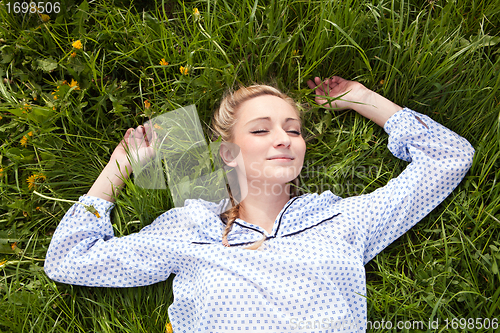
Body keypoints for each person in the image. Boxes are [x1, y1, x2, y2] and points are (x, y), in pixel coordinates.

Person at [44, 76, 474, 332]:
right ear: (229, 155)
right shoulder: (193, 229)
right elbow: (69, 260)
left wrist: (363, 99)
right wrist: (120, 166)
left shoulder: (341, 220)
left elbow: (449, 158)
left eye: (293, 129)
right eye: (261, 131)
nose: (284, 139)